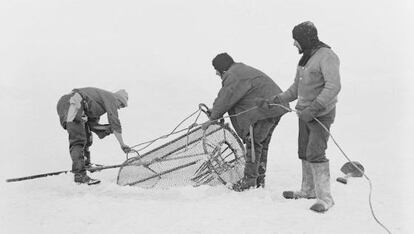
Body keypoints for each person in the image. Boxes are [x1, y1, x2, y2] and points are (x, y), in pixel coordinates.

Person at [258, 21, 341, 212]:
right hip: (304, 114)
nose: (294, 44)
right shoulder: (305, 58)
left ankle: (325, 198)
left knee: (315, 152)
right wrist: (275, 99)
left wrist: (315, 107)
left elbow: (333, 86)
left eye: (296, 40)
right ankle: (308, 190)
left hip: (321, 114)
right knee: (303, 151)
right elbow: (296, 88)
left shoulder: (327, 56)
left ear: (304, 39)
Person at [202, 53, 288, 191]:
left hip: (265, 110)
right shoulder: (240, 71)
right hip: (276, 107)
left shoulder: (233, 75)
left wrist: (212, 119)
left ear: (222, 69)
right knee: (261, 144)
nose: (216, 74)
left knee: (254, 144)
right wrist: (215, 111)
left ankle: (249, 181)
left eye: (216, 71)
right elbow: (232, 97)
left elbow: (226, 97)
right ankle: (259, 178)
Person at [56, 87, 132, 185]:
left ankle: (85, 164)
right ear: (117, 98)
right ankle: (80, 175)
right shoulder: (111, 98)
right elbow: (114, 120)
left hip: (73, 104)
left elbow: (93, 125)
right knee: (78, 139)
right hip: (72, 103)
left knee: (87, 136)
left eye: (122, 107)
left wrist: (109, 129)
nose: (119, 107)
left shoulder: (97, 105)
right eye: (121, 104)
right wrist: (122, 144)